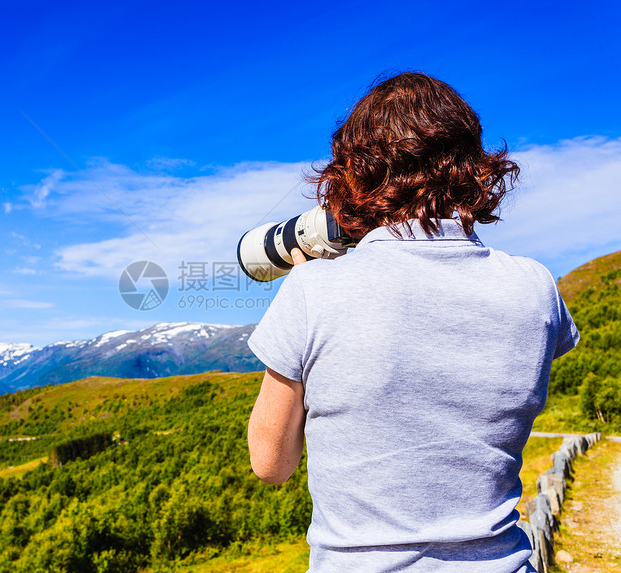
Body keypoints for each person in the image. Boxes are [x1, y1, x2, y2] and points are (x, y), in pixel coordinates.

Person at [246, 71, 580, 572]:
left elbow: (271, 465)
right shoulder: (536, 286)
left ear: (354, 173)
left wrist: (314, 280)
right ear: (473, 165)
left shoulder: (314, 289)